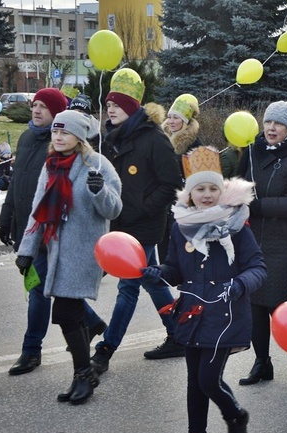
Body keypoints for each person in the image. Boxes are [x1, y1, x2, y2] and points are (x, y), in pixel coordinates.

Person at [140, 147, 266, 433]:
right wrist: (160, 273)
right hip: (191, 314)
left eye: (213, 188)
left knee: (208, 380)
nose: (207, 195)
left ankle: (236, 415)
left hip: (225, 316)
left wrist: (239, 285)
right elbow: (175, 268)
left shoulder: (237, 227)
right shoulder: (180, 226)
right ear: (190, 193)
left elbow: (257, 267)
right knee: (194, 383)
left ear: (222, 191)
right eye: (200, 189)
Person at [16, 110, 122, 404]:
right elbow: (38, 209)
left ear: (79, 136)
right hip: (55, 251)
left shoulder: (97, 164)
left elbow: (113, 210)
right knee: (68, 314)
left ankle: (84, 376)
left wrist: (100, 192)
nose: (58, 137)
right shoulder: (51, 165)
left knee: (65, 313)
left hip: (83, 252)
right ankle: (83, 374)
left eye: (65, 132)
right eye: (55, 132)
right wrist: (26, 250)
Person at [0, 88, 108, 376]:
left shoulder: (80, 157)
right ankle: (90, 326)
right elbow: (20, 185)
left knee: (45, 295)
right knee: (51, 293)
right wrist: (7, 217)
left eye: (44, 107)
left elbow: (109, 205)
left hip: (63, 236)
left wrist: (99, 194)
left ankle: (32, 350)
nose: (36, 111)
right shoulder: (27, 139)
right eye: (34, 105)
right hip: (33, 228)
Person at [91, 69, 185, 374]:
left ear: (131, 107)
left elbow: (171, 183)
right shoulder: (112, 137)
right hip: (119, 222)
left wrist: (144, 208)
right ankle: (178, 332)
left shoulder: (155, 139)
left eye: (117, 104)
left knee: (128, 286)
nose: (111, 108)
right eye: (108, 104)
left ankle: (106, 348)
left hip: (143, 225)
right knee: (150, 277)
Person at [237, 101, 287, 386]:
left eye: (278, 124)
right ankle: (261, 362)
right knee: (254, 306)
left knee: (282, 309)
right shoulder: (252, 153)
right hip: (253, 241)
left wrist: (257, 205)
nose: (271, 128)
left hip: (285, 246)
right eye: (268, 122)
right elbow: (240, 185)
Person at [160, 93, 202, 263]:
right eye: (169, 117)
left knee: (184, 257)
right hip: (164, 207)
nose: (170, 121)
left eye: (175, 118)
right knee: (165, 258)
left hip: (184, 210)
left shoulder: (195, 146)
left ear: (185, 121)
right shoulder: (163, 142)